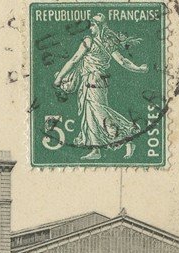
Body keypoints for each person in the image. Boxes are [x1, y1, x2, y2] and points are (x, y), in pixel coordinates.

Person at [53, 13, 148, 160]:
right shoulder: (108, 43)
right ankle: (96, 150)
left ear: (98, 26)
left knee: (98, 112)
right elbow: (123, 61)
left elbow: (74, 60)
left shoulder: (89, 41)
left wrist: (59, 78)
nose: (90, 27)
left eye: (92, 24)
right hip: (97, 81)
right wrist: (139, 68)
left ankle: (129, 134)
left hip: (93, 80)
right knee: (90, 113)